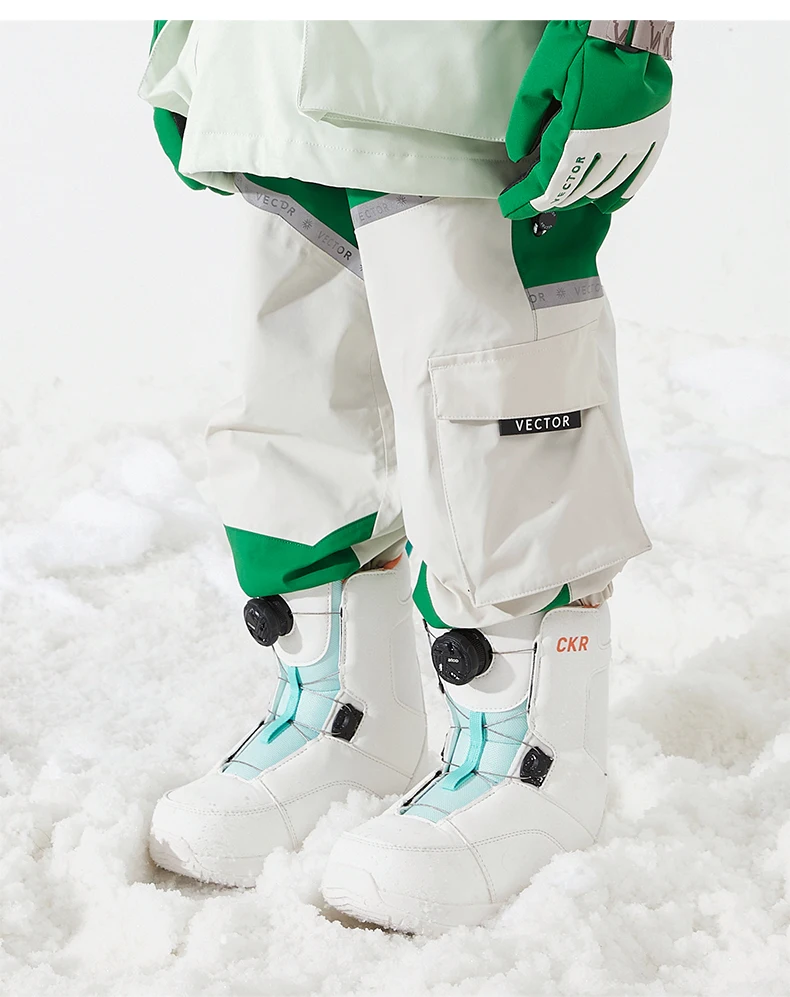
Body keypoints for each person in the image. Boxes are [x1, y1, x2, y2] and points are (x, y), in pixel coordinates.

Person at [139, 19, 673, 933]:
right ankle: (347, 712)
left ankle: (536, 755)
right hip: (269, 56)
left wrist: (624, 32)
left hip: (464, 68)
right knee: (298, 384)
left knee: (483, 371)